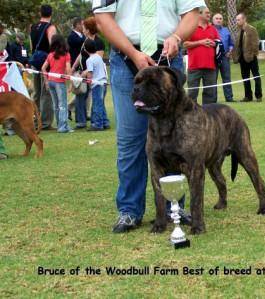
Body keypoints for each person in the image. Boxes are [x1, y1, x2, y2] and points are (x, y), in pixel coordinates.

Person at [93, 0, 205, 233]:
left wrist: (176, 37)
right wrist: (133, 53)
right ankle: (130, 211)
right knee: (130, 141)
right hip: (126, 58)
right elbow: (103, 18)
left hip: (168, 59)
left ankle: (174, 207)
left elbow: (192, 13)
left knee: (176, 142)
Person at [72, 16, 106, 129]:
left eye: (84, 27)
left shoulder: (98, 42)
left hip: (93, 76)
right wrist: (73, 68)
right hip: (85, 73)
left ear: (89, 29)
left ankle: (100, 122)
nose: (83, 29)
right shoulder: (85, 40)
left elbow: (98, 60)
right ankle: (82, 121)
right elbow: (80, 55)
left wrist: (86, 73)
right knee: (81, 96)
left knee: (97, 100)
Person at [184, 7, 219, 105]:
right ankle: (190, 116)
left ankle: (208, 116)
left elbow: (218, 43)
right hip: (194, 67)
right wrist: (200, 42)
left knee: (210, 94)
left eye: (209, 13)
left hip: (210, 67)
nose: (209, 15)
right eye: (207, 13)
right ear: (199, 14)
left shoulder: (213, 28)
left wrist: (214, 44)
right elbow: (185, 44)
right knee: (192, 94)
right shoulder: (192, 27)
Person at [30, 4, 57, 130]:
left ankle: (34, 120)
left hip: (35, 62)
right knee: (46, 93)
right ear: (51, 14)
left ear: (40, 13)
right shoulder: (50, 27)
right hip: (46, 63)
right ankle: (45, 122)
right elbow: (53, 47)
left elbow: (32, 46)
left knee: (36, 92)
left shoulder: (33, 27)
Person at [41, 34, 73, 133]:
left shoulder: (50, 55)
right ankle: (62, 127)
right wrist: (71, 82)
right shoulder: (66, 55)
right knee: (62, 104)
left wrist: (46, 81)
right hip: (59, 82)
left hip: (50, 81)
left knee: (56, 105)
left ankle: (61, 125)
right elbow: (68, 69)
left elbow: (43, 68)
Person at [233, 13, 262, 102]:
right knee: (245, 78)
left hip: (251, 57)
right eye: (236, 20)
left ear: (244, 19)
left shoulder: (251, 29)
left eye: (238, 19)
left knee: (256, 76)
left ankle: (258, 96)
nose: (237, 21)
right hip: (242, 58)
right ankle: (248, 96)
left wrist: (253, 54)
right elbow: (238, 45)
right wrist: (236, 56)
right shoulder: (238, 31)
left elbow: (255, 43)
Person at [81, 39, 108, 131]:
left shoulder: (89, 60)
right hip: (103, 83)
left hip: (96, 84)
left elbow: (90, 73)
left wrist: (88, 82)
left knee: (97, 104)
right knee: (101, 104)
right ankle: (105, 122)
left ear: (85, 49)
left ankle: (97, 124)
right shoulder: (98, 57)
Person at [212, 13, 234, 102]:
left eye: (220, 18)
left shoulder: (226, 30)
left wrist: (230, 51)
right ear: (213, 20)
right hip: (214, 58)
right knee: (213, 79)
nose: (218, 20)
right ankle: (213, 99)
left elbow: (231, 44)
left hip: (225, 57)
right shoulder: (210, 30)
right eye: (216, 18)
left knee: (227, 78)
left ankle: (229, 98)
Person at [67, 17, 86, 121]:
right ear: (77, 25)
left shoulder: (83, 36)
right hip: (76, 67)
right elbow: (81, 43)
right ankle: (70, 108)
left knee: (85, 91)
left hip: (84, 66)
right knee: (80, 90)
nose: (83, 27)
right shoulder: (72, 36)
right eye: (82, 24)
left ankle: (77, 110)